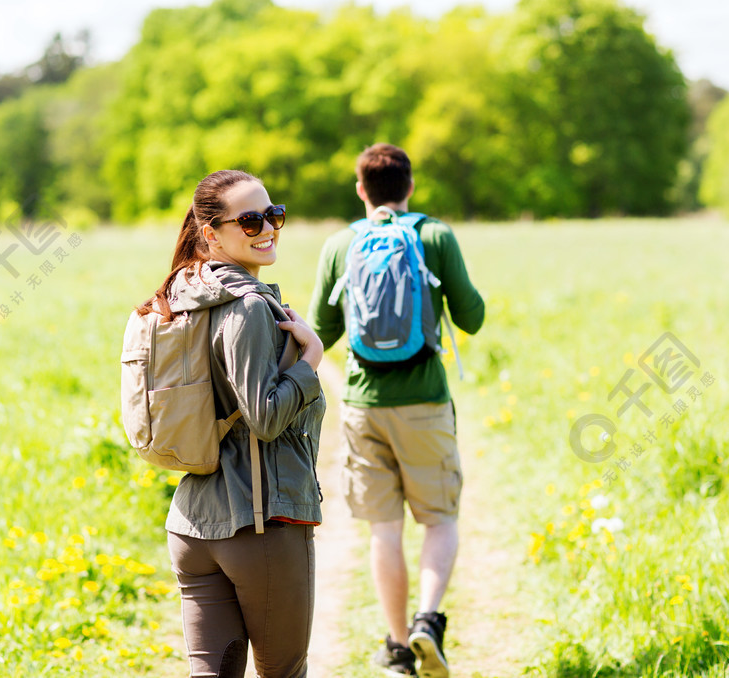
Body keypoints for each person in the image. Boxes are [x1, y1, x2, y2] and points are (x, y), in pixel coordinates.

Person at [307, 144, 484, 678]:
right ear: (410, 186)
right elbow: (472, 318)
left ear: (361, 189)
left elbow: (323, 330)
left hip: (364, 406)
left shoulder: (341, 244)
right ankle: (428, 620)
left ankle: (398, 647)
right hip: (426, 402)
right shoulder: (435, 235)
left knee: (384, 530)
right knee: (440, 519)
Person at [140, 169, 326, 678]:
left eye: (274, 214)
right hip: (259, 527)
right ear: (211, 233)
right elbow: (264, 417)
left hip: (192, 525)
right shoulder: (245, 307)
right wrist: (311, 359)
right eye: (249, 220)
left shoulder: (178, 298)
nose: (267, 228)